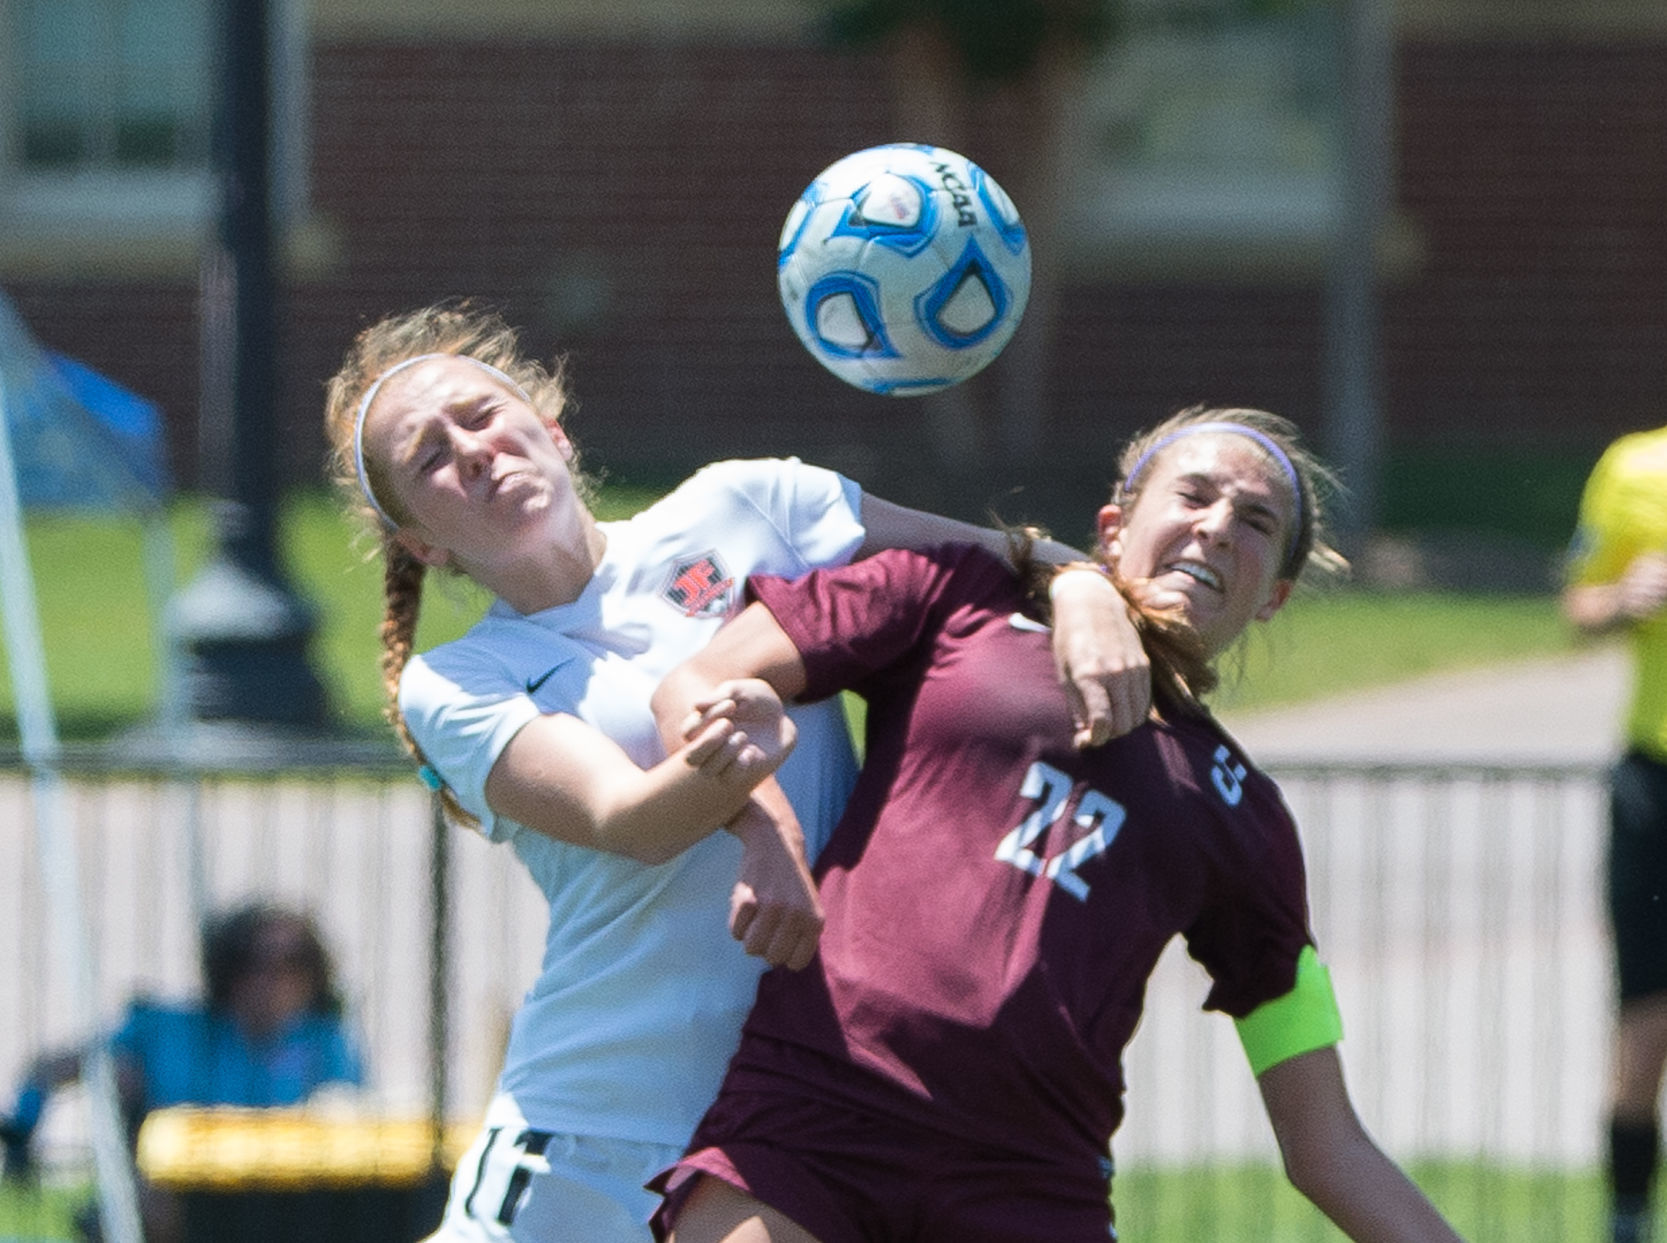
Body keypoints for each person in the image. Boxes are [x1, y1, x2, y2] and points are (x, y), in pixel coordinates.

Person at [319, 300, 1151, 1243]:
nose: (470, 451)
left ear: (549, 428)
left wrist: (1080, 582)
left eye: (480, 415)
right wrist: (756, 785)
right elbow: (629, 816)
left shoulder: (751, 503)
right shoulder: (457, 680)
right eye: (429, 457)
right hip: (598, 1129)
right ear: (421, 543)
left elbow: (985, 569)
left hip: (798, 1124)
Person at [648, 406, 1466, 1243]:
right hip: (813, 1121)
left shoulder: (1243, 815)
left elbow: (1326, 1144)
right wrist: (765, 829)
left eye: (1255, 522)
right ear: (1112, 528)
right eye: (1192, 495)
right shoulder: (958, 595)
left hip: (1028, 1187)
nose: (1217, 527)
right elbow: (700, 680)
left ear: (1274, 597)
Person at [0, 902, 363, 1241]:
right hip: (184, 1202)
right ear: (227, 969)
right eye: (253, 963)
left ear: (315, 974)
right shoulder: (171, 1034)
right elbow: (52, 1069)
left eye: (292, 964)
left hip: (287, 1199)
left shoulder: (327, 1045)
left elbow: (353, 1123)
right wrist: (22, 1130)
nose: (271, 980)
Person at [1562, 424, 1667, 1243]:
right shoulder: (1633, 465)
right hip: (1654, 779)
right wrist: (1621, 597)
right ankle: (1624, 1220)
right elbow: (1577, 604)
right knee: (1644, 1024)